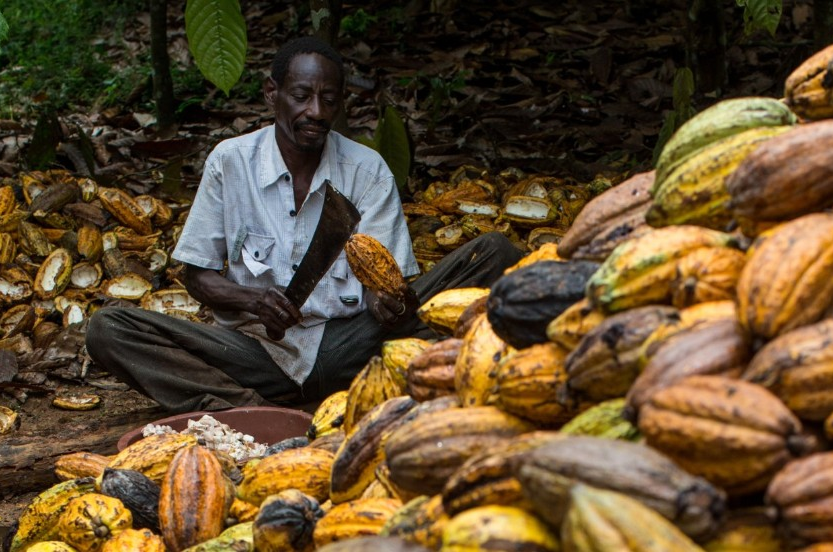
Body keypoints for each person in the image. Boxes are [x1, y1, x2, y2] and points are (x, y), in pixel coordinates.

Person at [85, 36, 523, 414]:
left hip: (352, 345)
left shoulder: (366, 170)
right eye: (301, 95)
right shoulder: (230, 162)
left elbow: (383, 279)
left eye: (328, 99)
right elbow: (196, 275)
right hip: (256, 353)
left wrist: (385, 302)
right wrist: (252, 300)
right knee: (110, 329)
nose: (315, 111)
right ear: (272, 93)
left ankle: (290, 402)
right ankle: (246, 409)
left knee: (495, 253)